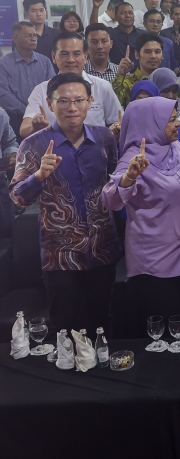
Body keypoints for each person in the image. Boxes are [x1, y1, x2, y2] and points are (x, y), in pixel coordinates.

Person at [10, 73, 120, 336]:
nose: (72, 108)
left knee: (102, 321)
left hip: (102, 249)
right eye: (63, 101)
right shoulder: (33, 144)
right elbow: (18, 197)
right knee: (65, 325)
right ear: (50, 103)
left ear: (90, 101)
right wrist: (38, 176)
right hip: (60, 255)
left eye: (78, 100)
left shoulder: (104, 139)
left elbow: (116, 185)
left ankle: (101, 376)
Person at [101, 97, 180, 338]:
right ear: (150, 124)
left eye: (175, 119)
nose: (177, 125)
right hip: (154, 260)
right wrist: (129, 177)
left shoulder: (176, 148)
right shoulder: (134, 156)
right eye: (170, 121)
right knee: (163, 330)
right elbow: (109, 199)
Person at [20, 32, 123, 139]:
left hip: (94, 152)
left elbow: (117, 122)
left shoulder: (102, 87)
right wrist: (35, 127)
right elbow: (24, 130)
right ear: (54, 57)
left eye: (76, 54)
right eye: (64, 54)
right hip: (54, 152)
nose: (71, 60)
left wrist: (114, 131)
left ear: (85, 56)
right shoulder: (41, 90)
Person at [0, 21, 55, 127]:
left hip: (43, 118)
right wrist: (29, 112)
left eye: (35, 35)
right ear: (15, 38)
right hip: (14, 120)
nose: (33, 38)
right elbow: (4, 95)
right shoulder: (3, 64)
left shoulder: (45, 61)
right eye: (28, 35)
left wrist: (39, 112)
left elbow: (52, 89)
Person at [112, 33, 163, 107]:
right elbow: (112, 105)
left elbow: (179, 112)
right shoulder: (127, 83)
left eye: (157, 52)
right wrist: (120, 75)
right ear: (137, 54)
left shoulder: (168, 82)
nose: (153, 56)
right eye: (148, 52)